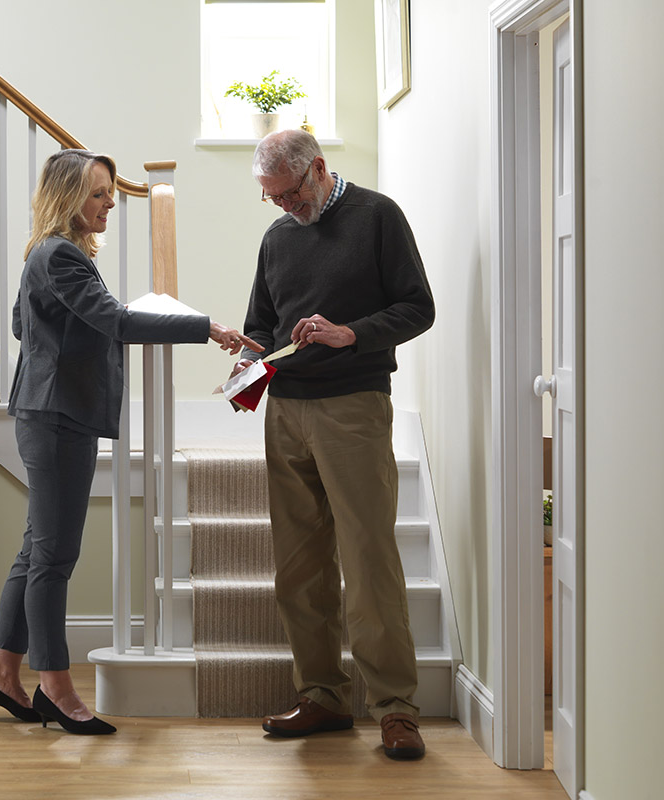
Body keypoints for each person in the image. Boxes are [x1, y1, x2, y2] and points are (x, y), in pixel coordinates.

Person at [0, 148, 262, 735]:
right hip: (57, 417)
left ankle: (1, 672)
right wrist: (203, 327)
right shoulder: (61, 255)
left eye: (109, 191)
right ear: (67, 197)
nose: (110, 202)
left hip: (50, 411)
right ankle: (54, 686)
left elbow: (20, 324)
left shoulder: (50, 253)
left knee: (37, 548)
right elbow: (118, 322)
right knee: (54, 557)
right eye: (98, 192)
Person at [233, 130, 434, 759]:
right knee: (298, 565)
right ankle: (321, 694)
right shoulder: (277, 238)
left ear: (317, 169)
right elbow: (260, 322)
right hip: (286, 410)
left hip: (354, 408)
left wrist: (351, 334)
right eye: (272, 198)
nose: (283, 207)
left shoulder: (377, 217)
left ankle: (395, 708)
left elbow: (417, 307)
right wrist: (249, 356)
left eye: (289, 194)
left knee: (368, 559)